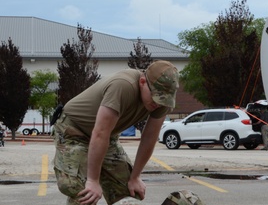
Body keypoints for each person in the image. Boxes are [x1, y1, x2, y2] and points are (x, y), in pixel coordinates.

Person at [51, 60, 179, 205]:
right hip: (73, 131)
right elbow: (100, 133)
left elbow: (149, 138)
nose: (159, 103)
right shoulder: (123, 86)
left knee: (129, 191)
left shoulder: (162, 101)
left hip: (107, 137)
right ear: (142, 82)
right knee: (83, 191)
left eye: (164, 100)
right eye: (156, 97)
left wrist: (135, 177)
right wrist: (93, 180)